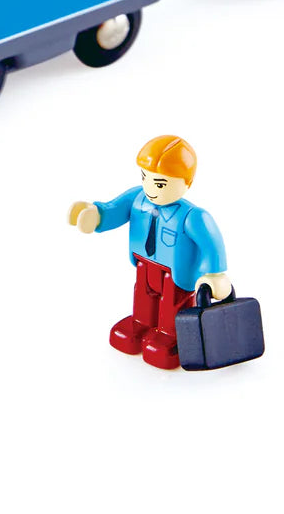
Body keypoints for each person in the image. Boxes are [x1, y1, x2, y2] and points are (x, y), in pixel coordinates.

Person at [68, 134, 231, 370]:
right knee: (143, 296)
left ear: (186, 182)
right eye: (145, 177)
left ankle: (171, 334)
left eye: (160, 183)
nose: (150, 188)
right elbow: (114, 210)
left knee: (171, 305)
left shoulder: (193, 216)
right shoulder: (137, 198)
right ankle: (141, 323)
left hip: (175, 275)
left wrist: (214, 274)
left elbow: (211, 244)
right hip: (144, 264)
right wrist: (96, 215)